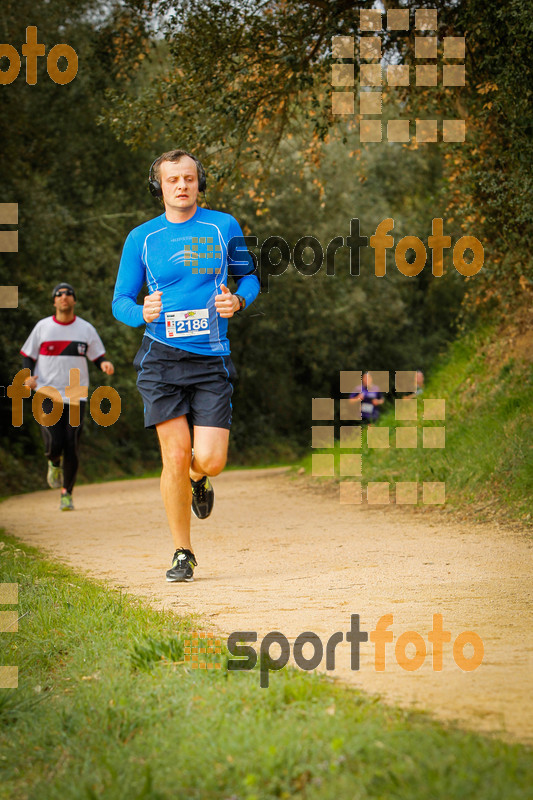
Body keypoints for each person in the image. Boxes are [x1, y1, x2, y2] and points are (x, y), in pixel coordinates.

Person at [112, 149, 260, 583]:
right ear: (159, 185)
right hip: (160, 358)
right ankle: (183, 552)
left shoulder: (222, 226)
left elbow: (248, 276)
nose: (182, 186)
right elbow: (120, 301)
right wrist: (142, 312)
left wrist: (238, 299)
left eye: (189, 178)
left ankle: (200, 478)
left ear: (200, 182)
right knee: (174, 455)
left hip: (211, 356)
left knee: (210, 460)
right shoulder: (142, 238)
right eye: (173, 179)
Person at [20, 282, 115, 510]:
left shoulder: (85, 329)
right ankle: (53, 462)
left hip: (75, 393)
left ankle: (67, 493)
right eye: (59, 294)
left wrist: (104, 364)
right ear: (54, 301)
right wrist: (27, 376)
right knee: (55, 442)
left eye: (68, 293)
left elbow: (97, 356)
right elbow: (27, 354)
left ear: (74, 300)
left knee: (71, 444)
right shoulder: (43, 327)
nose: (64, 297)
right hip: (46, 391)